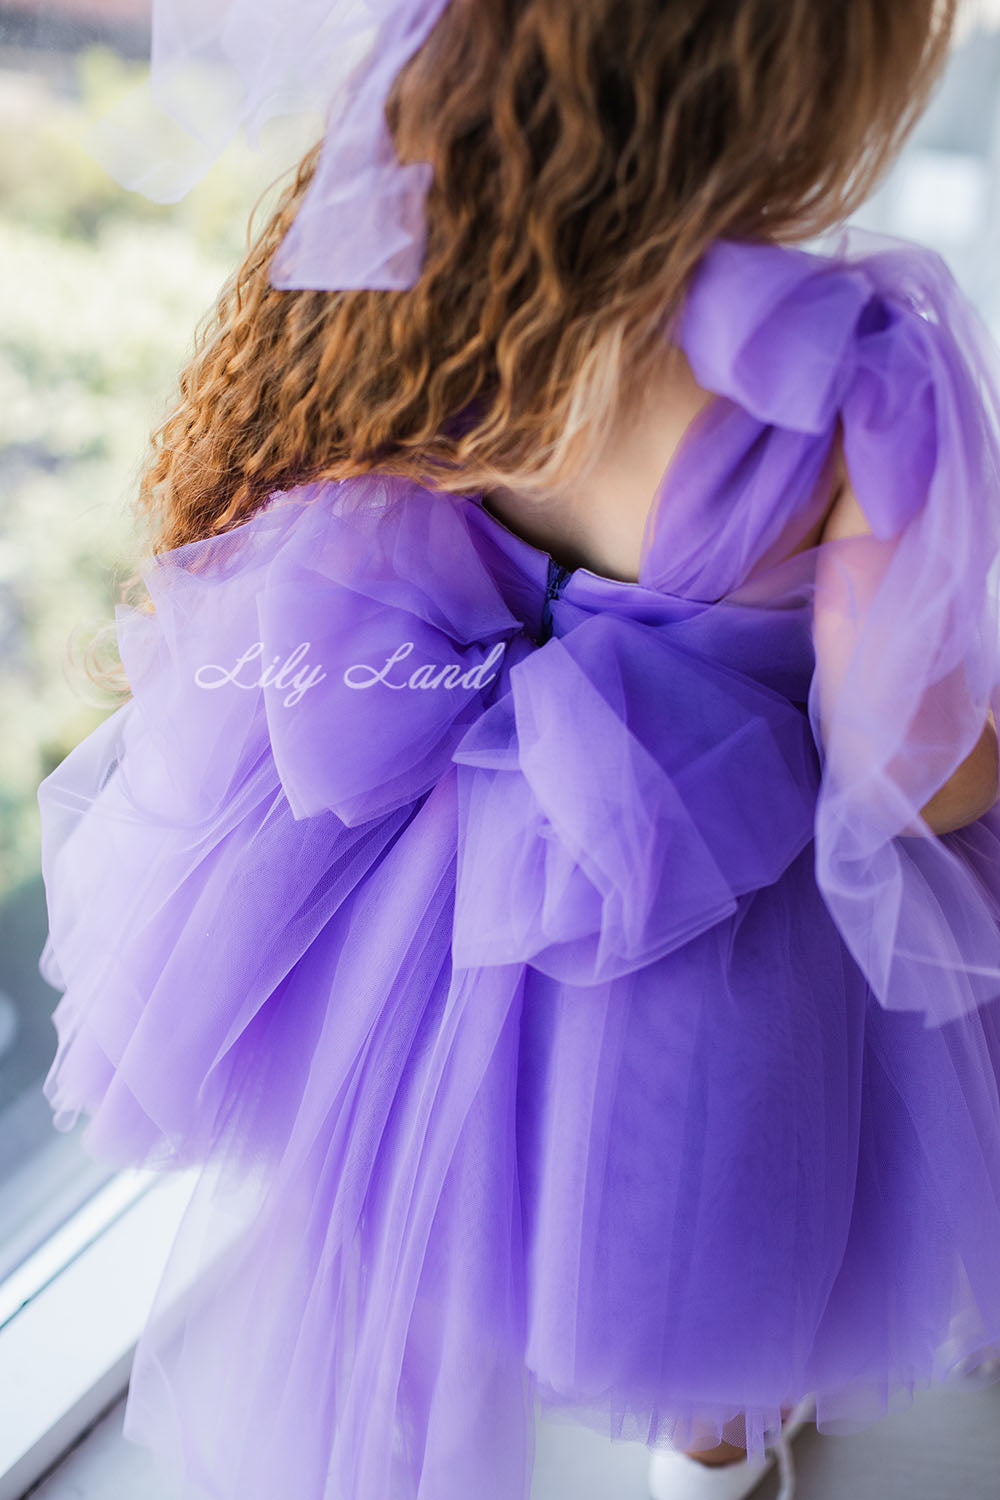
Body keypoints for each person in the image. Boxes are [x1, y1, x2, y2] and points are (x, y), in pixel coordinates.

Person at [34, 2, 1000, 1498]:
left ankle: (478, 1310)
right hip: (690, 884)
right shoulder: (845, 372)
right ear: (811, 77)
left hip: (426, 816)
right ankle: (712, 1438)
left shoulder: (435, 243)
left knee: (430, 1130)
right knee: (698, 1204)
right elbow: (919, 762)